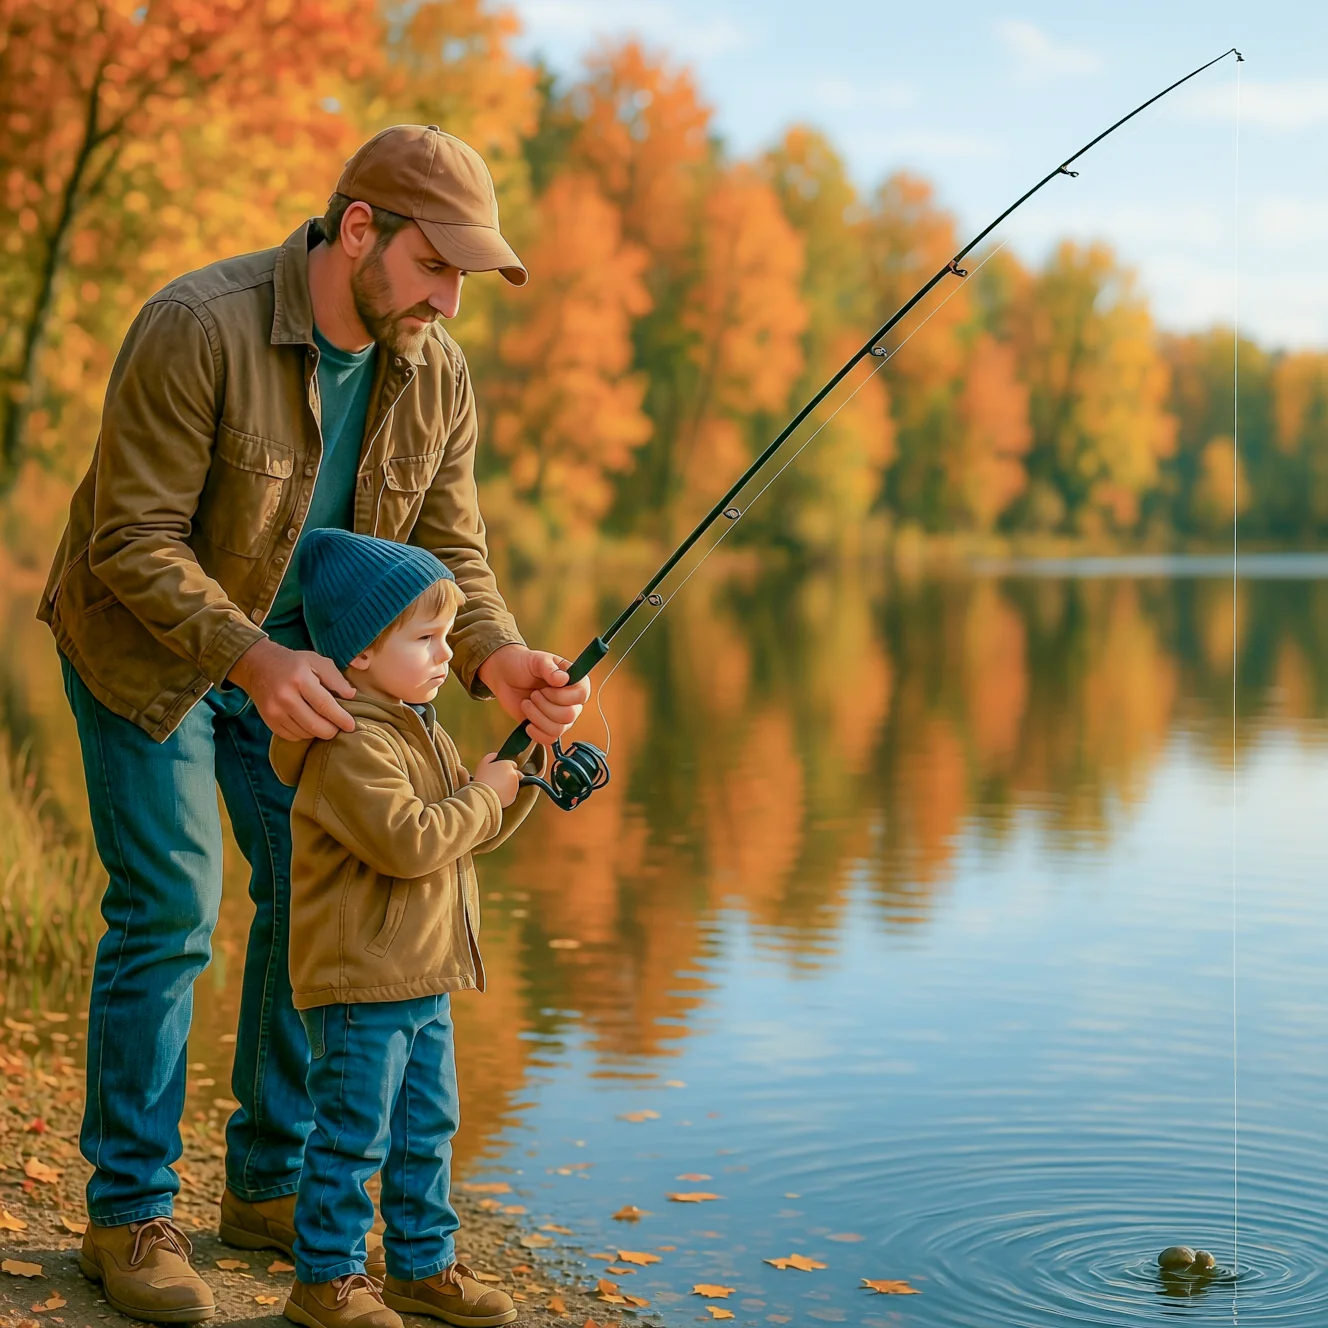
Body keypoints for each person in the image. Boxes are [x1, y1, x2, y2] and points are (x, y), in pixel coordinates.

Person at [42, 124, 590, 1323]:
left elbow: (451, 549)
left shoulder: (433, 367)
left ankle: (268, 1186)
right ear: (360, 232)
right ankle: (129, 1211)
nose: (452, 298)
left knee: (318, 894)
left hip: (320, 669)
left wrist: (499, 657)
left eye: (465, 277)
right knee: (174, 903)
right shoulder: (198, 326)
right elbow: (129, 539)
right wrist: (251, 655)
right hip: (156, 652)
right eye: (438, 267)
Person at [271, 530, 537, 1328]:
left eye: (447, 636)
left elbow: (467, 831)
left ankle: (423, 1266)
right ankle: (327, 1281)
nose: (445, 654)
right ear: (358, 653)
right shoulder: (351, 743)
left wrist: (518, 779)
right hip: (362, 980)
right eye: (425, 639)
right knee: (353, 1135)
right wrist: (484, 795)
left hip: (426, 973)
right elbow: (412, 840)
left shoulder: (422, 727)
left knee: (429, 1129)